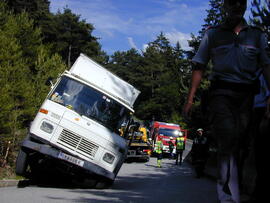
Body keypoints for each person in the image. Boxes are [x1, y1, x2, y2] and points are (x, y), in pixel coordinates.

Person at [182, 0, 270, 202]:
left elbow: (266, 66)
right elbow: (199, 66)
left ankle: (233, 188)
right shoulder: (213, 34)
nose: (236, 7)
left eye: (240, 3)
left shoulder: (257, 35)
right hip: (221, 93)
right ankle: (227, 195)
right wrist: (190, 99)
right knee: (228, 137)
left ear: (245, 7)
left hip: (246, 97)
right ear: (224, 7)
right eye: (231, 3)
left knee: (240, 144)